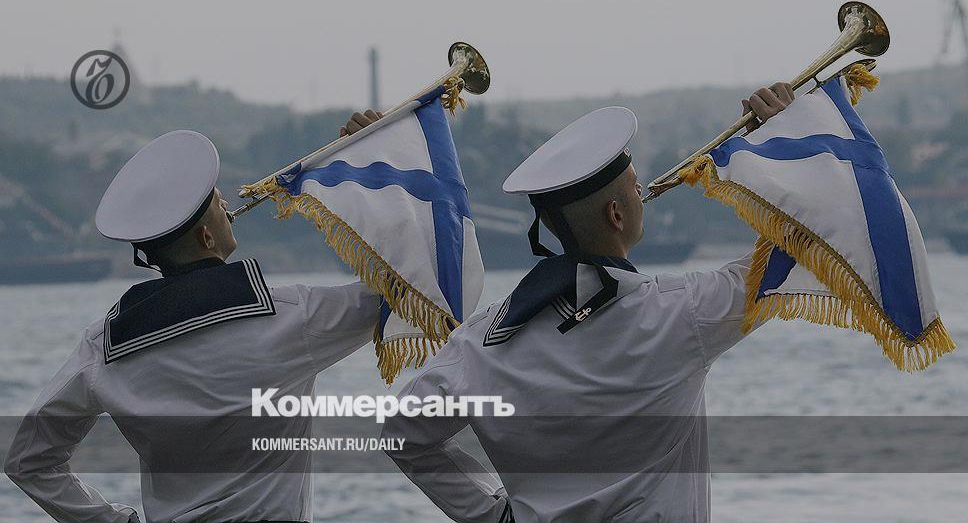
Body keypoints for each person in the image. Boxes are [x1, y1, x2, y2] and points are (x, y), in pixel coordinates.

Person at [377, 85, 795, 522]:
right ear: (616, 214)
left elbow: (404, 434)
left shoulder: (479, 343)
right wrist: (788, 146)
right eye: (635, 186)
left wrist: (495, 515)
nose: (643, 192)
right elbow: (797, 249)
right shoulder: (681, 312)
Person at [4, 125, 385, 523]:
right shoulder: (290, 315)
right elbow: (403, 290)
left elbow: (28, 461)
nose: (228, 206)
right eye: (220, 204)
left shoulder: (102, 346)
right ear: (207, 238)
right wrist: (378, 165)